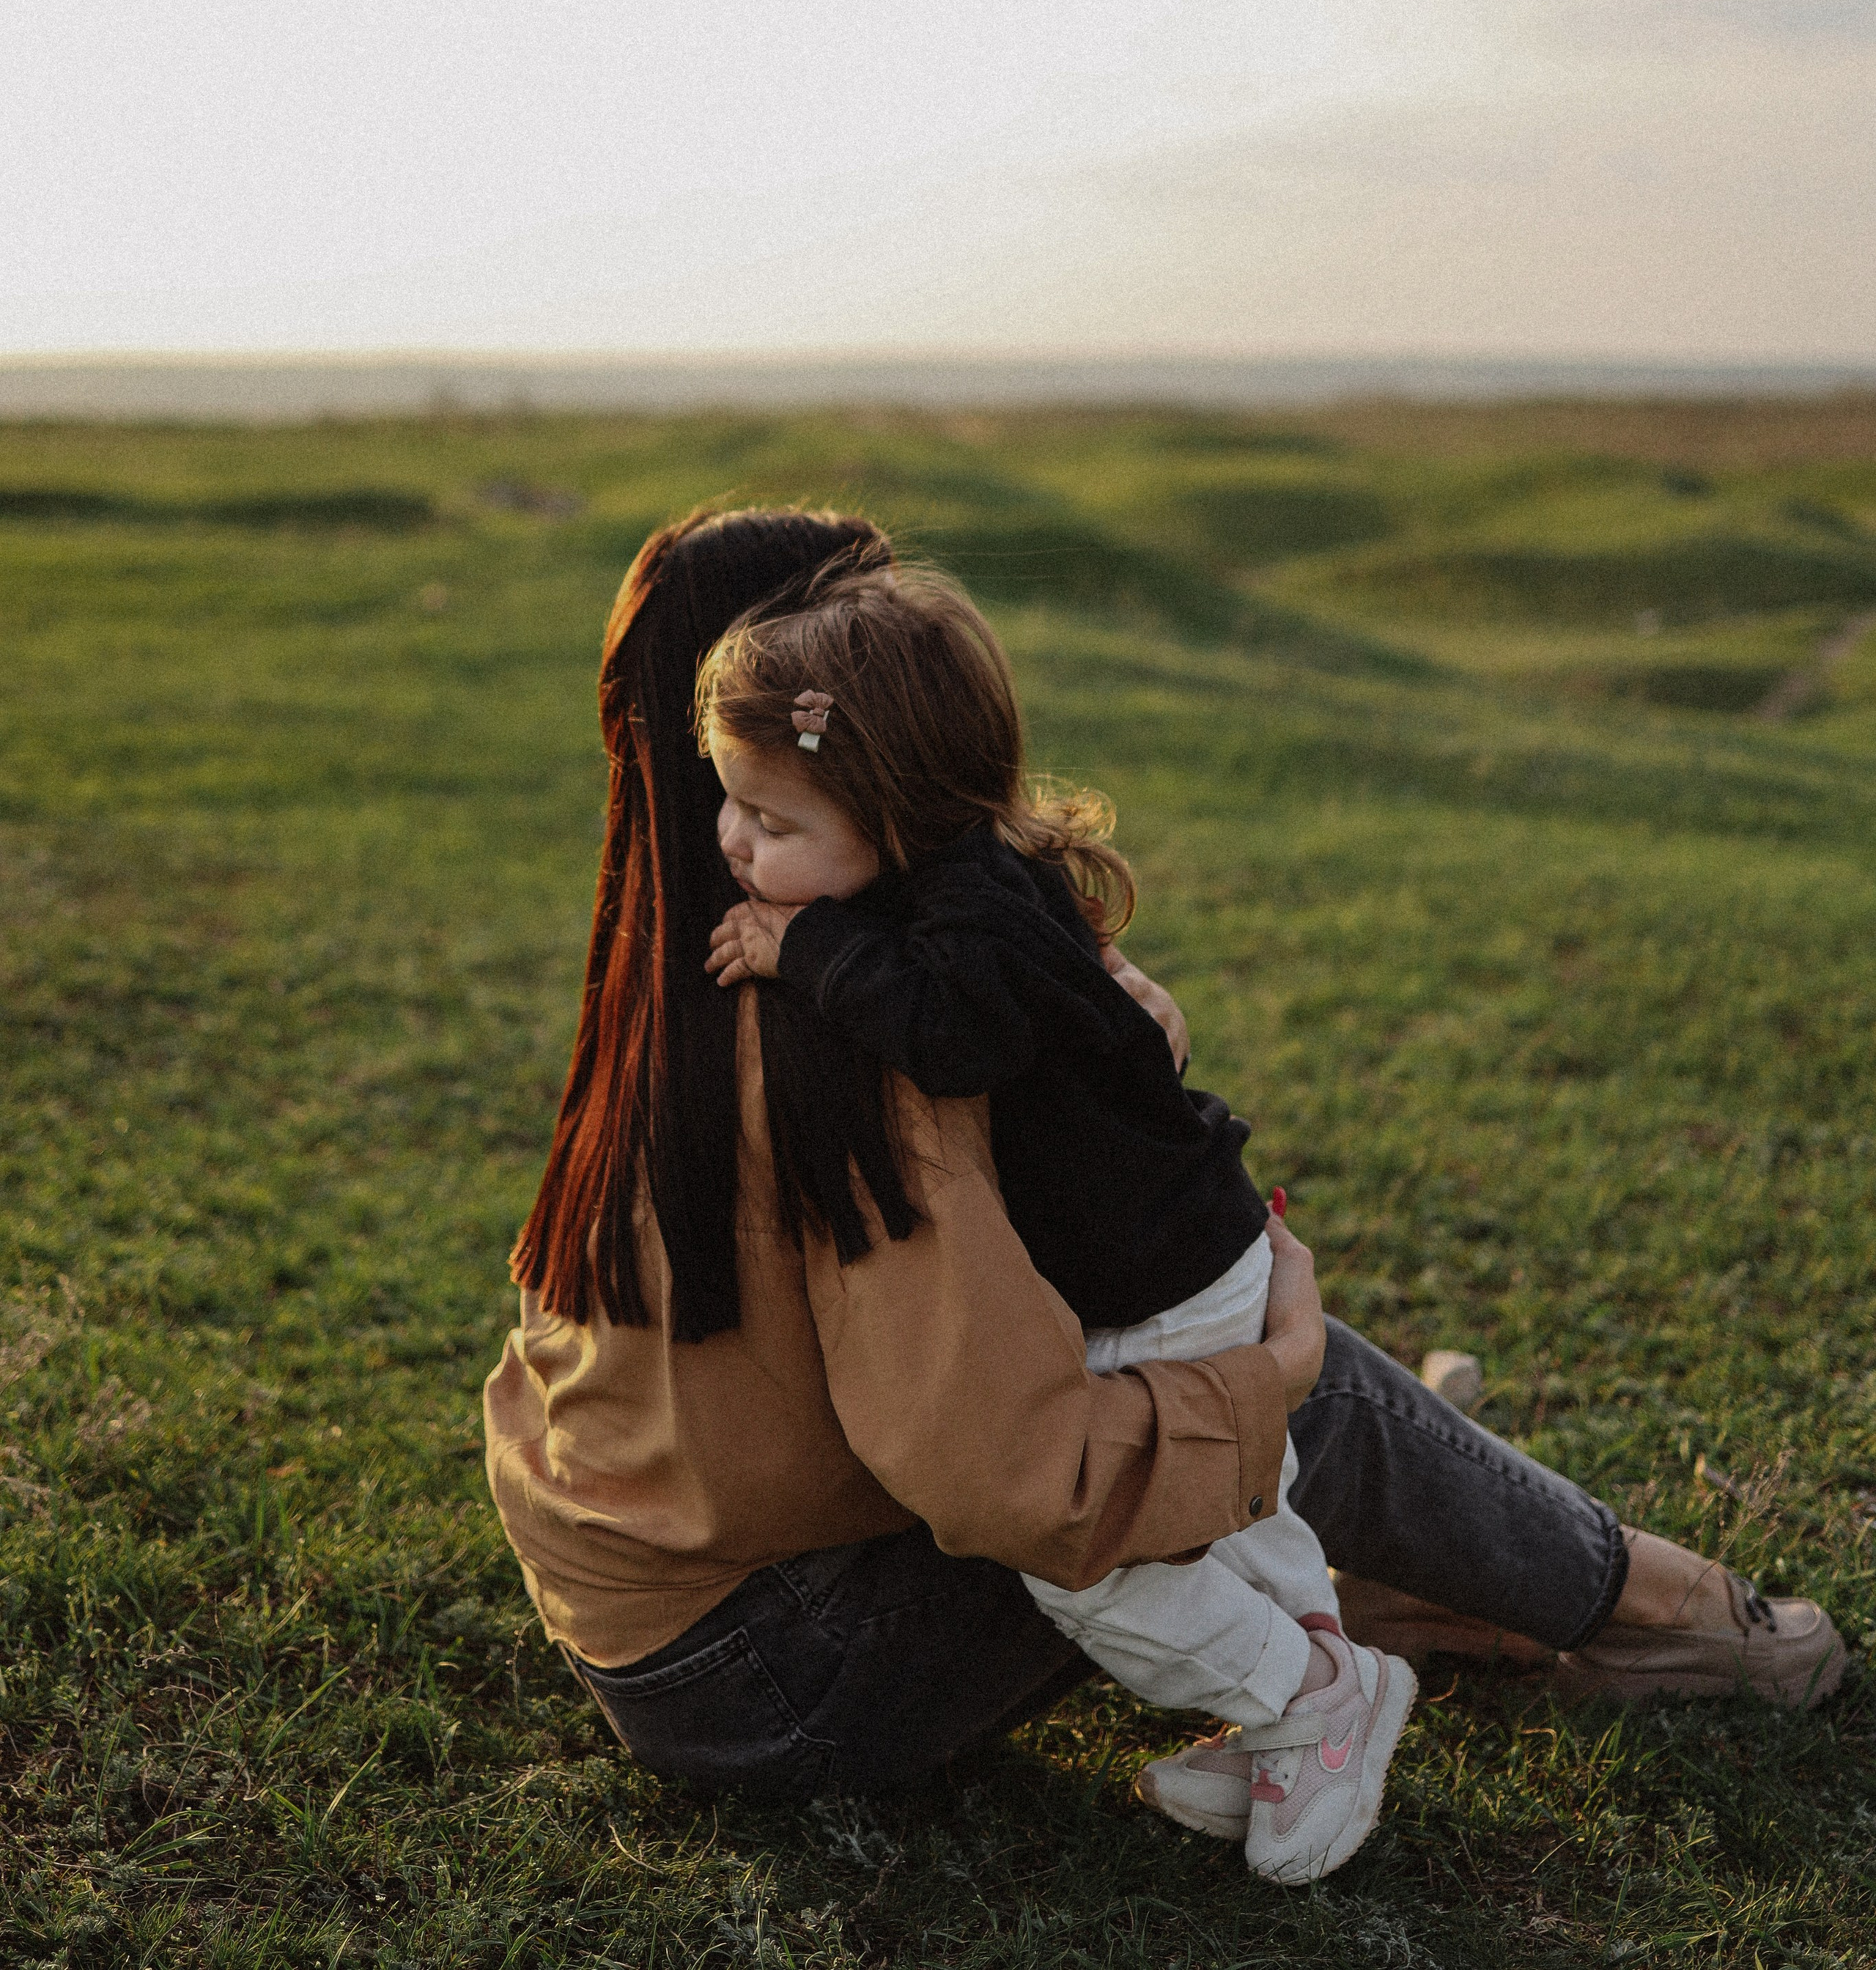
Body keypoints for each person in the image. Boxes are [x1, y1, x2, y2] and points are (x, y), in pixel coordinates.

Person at [483, 507, 1846, 1822]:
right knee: (1268, 1369)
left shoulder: (673, 965)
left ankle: (1393, 1544)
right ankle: (1657, 1613)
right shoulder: (845, 1045)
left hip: (651, 1608)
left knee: (1212, 1370)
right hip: (785, 1672)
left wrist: (1075, 992)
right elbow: (1004, 1474)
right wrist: (1268, 1384)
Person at [696, 558, 1411, 1881]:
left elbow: (958, 1034)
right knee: (1239, 1503)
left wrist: (808, 952)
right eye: (730, 806)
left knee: (1090, 1551)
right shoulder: (969, 877)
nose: (736, 844)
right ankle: (1304, 1699)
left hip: (1153, 1279)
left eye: (770, 818)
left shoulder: (967, 914)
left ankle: (1306, 1695)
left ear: (895, 809)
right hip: (1197, 1242)